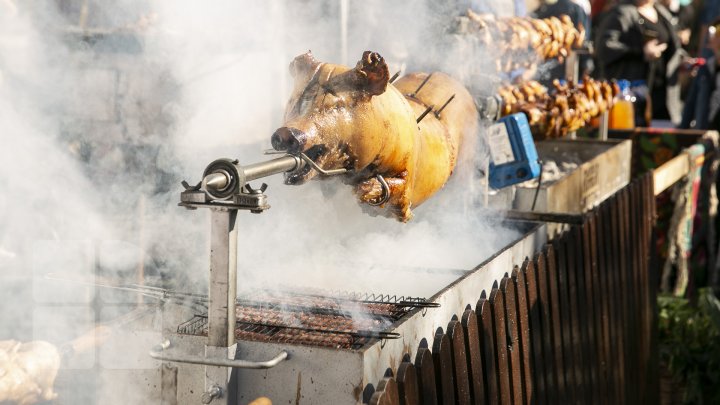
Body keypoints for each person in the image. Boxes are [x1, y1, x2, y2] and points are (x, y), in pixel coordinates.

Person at [596, 0, 687, 125]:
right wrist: (640, 51)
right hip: (632, 98)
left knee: (661, 142)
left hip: (664, 98)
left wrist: (682, 61)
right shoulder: (622, 13)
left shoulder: (662, 13)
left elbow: (672, 48)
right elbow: (604, 48)